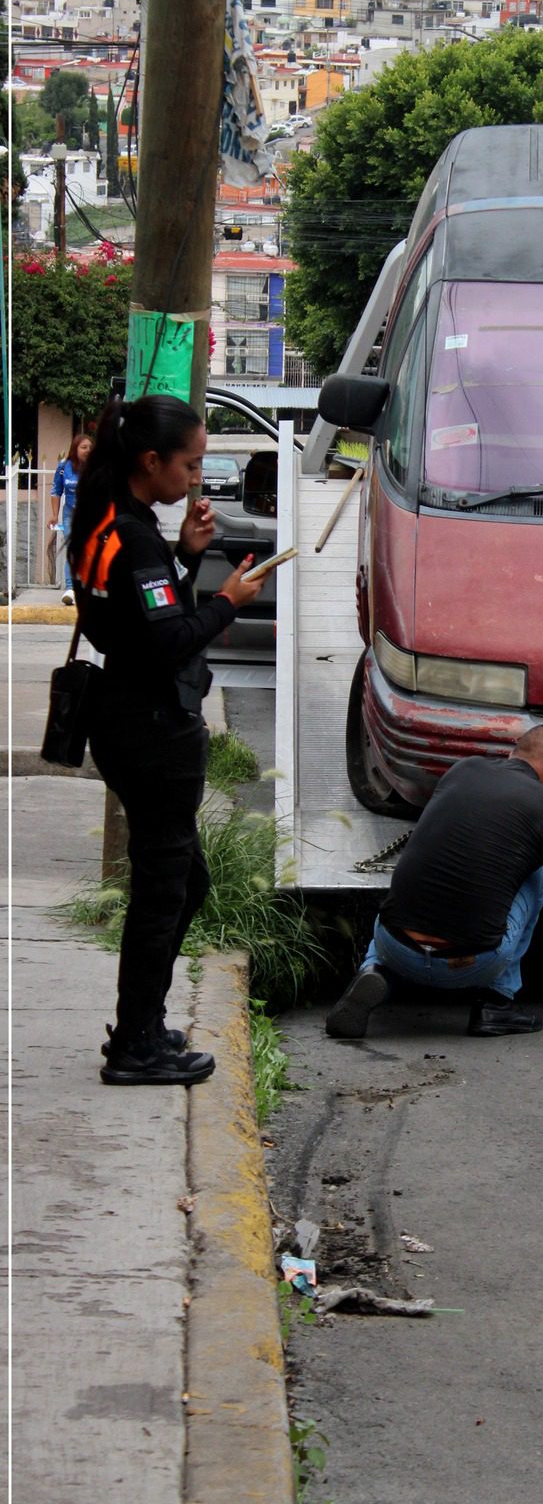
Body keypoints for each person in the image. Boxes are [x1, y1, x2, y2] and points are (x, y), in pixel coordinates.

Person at [71, 394, 270, 1086]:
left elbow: (134, 623)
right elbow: (165, 643)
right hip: (151, 729)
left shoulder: (102, 524)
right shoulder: (130, 538)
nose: (195, 477)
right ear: (150, 461)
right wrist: (226, 601)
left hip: (129, 722)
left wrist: (187, 557)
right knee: (164, 892)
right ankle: (135, 1046)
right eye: (189, 464)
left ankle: (142, 1025)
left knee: (183, 885)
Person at [325, 724, 543, 1040]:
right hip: (472, 963)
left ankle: (374, 970)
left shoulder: (462, 771)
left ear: (512, 753)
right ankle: (496, 1004)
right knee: (537, 873)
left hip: (395, 946)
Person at [50, 432, 91, 605]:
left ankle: (88, 587)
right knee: (72, 550)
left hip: (91, 514)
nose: (87, 450)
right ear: (75, 449)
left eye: (90, 447)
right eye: (83, 447)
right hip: (70, 513)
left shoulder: (96, 467)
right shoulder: (63, 467)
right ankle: (70, 589)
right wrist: (54, 515)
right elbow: (56, 491)